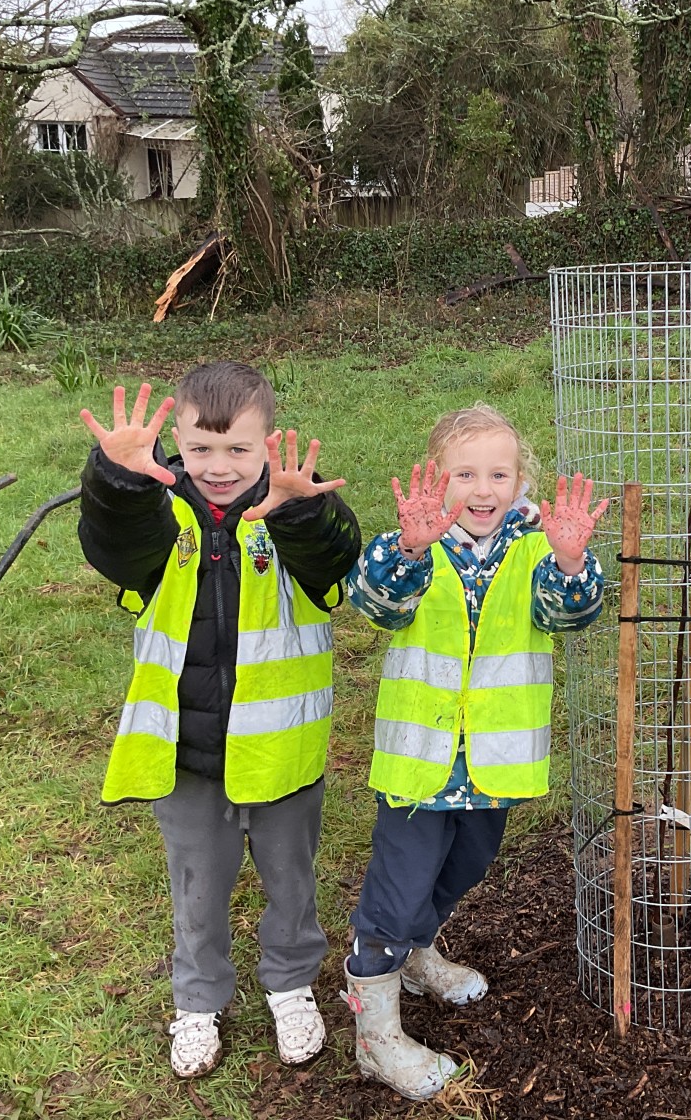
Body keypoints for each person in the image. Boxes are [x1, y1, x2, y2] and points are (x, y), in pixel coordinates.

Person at [77, 364, 361, 1079]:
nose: (219, 466)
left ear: (268, 443)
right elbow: (113, 546)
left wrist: (298, 512)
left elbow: (337, 561)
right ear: (176, 442)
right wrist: (118, 480)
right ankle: (197, 1001)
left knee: (290, 880)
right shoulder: (159, 511)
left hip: (280, 750)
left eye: (238, 449)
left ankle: (291, 986)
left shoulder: (296, 501)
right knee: (197, 885)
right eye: (201, 450)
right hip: (185, 750)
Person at [340, 403, 608, 1101]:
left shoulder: (537, 549)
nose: (483, 489)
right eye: (465, 473)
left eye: (499, 473)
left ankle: (419, 955)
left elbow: (570, 613)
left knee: (467, 864)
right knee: (395, 894)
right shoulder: (411, 545)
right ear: (438, 479)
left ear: (522, 483)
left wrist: (573, 558)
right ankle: (377, 1036)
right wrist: (408, 551)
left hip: (495, 763)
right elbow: (373, 603)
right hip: (420, 762)